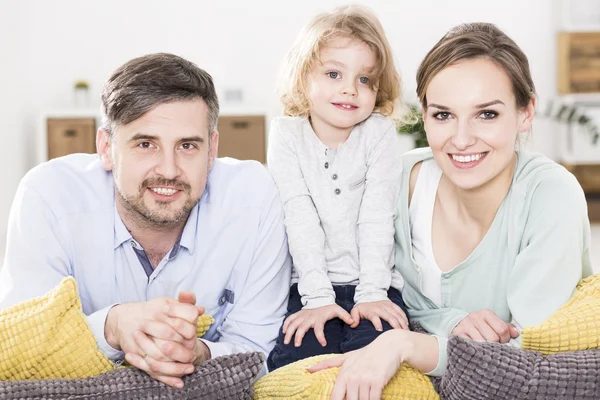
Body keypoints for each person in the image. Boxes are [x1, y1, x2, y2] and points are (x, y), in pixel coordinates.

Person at [308, 22, 594, 399]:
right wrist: (448, 322)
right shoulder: (400, 180)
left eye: (486, 114)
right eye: (443, 115)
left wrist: (404, 344)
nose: (461, 139)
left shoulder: (550, 195)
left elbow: (532, 354)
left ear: (525, 113)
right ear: (424, 116)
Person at [0, 53, 292, 388]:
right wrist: (113, 327)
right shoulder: (49, 195)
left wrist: (198, 352)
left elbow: (260, 356)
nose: (168, 170)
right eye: (146, 144)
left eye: (186, 146)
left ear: (212, 150)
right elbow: (19, 346)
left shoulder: (254, 199)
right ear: (107, 147)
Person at [266, 5, 409, 371]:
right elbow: (298, 217)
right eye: (333, 73)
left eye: (364, 79)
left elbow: (378, 217)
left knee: (376, 359)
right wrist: (316, 298)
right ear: (303, 78)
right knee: (301, 359)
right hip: (313, 285)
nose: (350, 89)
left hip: (374, 284)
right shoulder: (286, 135)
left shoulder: (379, 134)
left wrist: (373, 295)